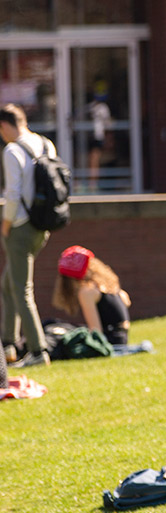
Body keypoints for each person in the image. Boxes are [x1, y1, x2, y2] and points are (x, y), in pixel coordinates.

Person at [1, 103, 60, 368]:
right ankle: (9, 345)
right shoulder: (46, 144)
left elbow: (12, 194)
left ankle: (37, 350)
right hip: (42, 226)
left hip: (21, 226)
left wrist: (5, 225)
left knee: (22, 290)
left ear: (5, 126)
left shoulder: (12, 150)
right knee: (8, 284)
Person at [51, 246, 131, 346]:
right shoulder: (109, 286)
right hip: (122, 338)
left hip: (110, 341)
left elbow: (96, 332)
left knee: (52, 326)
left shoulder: (86, 292)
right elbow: (126, 303)